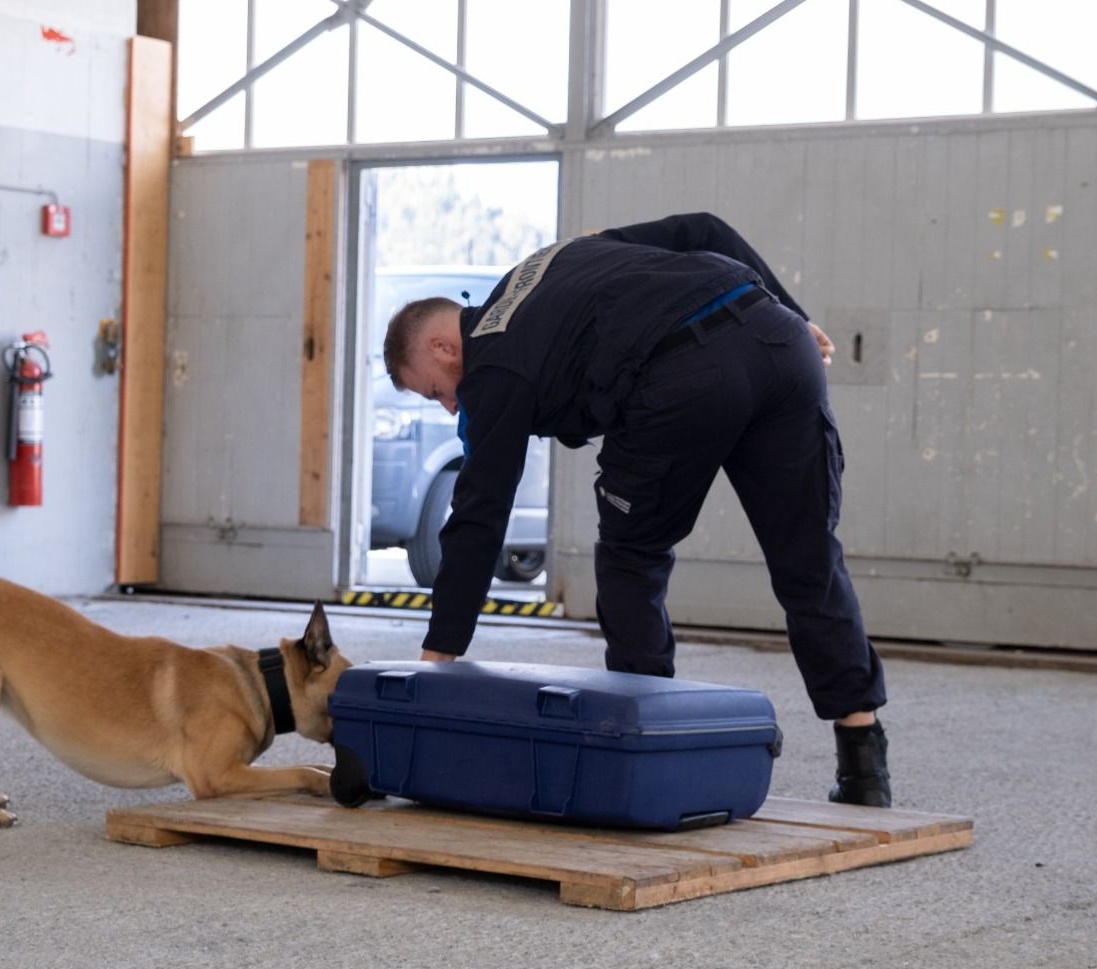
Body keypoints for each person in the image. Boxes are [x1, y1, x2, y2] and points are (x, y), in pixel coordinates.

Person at [382, 211, 891, 807]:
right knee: (809, 560)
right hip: (779, 344)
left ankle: (656, 759)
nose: (449, 407)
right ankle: (864, 764)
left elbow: (479, 516)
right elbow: (704, 229)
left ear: (444, 345)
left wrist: (438, 653)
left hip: (683, 374)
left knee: (631, 560)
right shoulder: (551, 259)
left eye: (436, 390)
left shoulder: (492, 363)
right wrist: (795, 315)